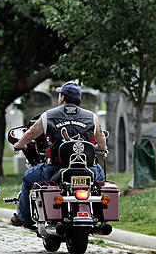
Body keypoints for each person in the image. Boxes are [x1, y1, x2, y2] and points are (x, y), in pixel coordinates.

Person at [10, 81, 107, 228]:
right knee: (101, 180)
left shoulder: (49, 115)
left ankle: (23, 217)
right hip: (88, 170)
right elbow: (101, 141)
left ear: (62, 98)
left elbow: (31, 133)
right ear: (79, 98)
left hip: (55, 169)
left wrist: (19, 144)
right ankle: (98, 213)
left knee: (28, 177)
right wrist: (101, 148)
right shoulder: (92, 117)